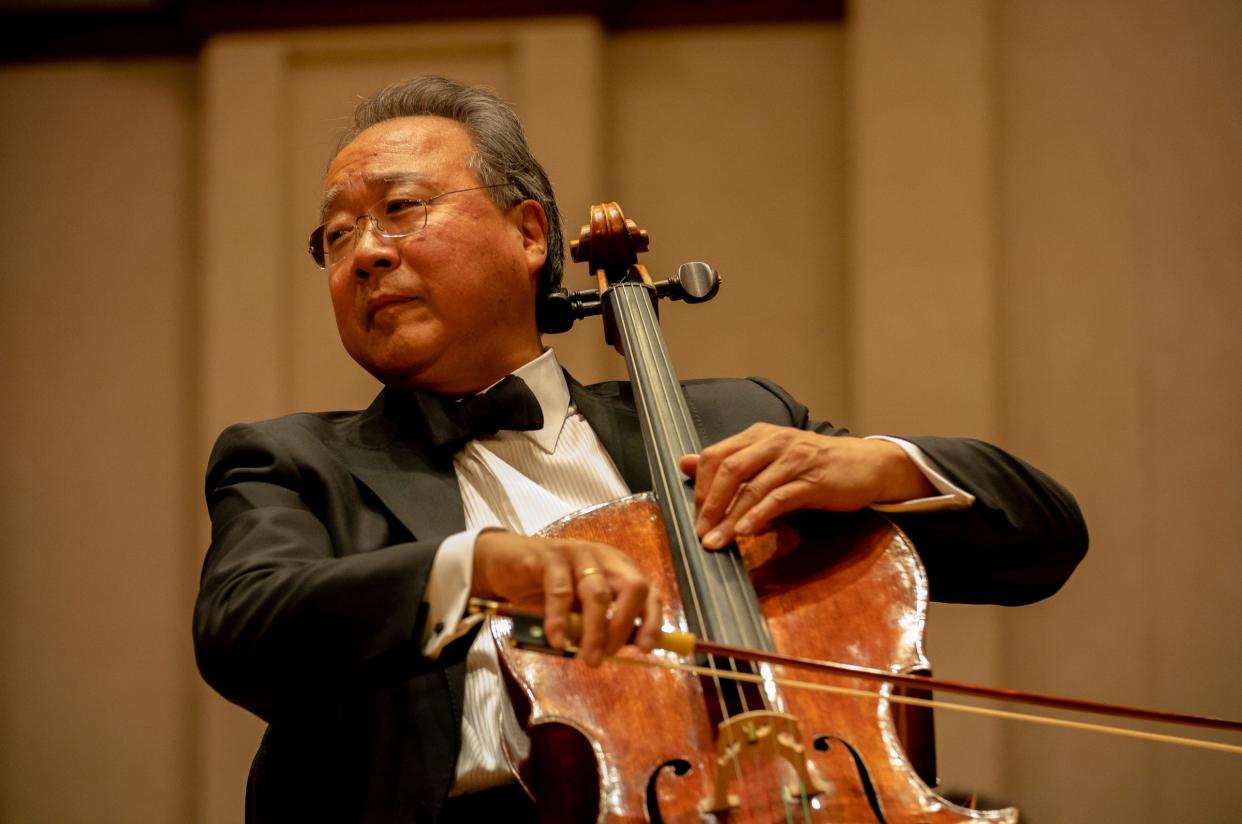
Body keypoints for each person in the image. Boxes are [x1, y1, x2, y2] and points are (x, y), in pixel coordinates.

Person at [193, 75, 1087, 823]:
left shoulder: (732, 421)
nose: (365, 255)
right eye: (337, 236)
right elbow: (244, 629)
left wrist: (885, 466)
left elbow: (1043, 543)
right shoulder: (290, 463)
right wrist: (481, 567)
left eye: (400, 209)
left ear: (530, 234)